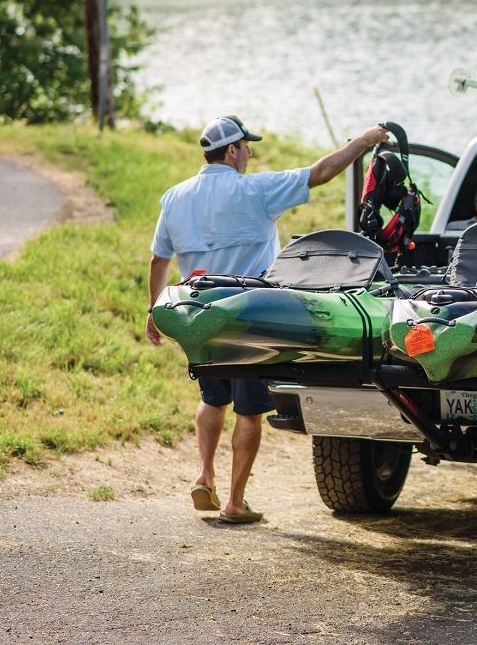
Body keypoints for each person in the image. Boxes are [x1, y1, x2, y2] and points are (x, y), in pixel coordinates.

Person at [146, 115, 388, 524]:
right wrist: (364, 141)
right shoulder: (255, 189)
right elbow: (322, 172)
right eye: (246, 146)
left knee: (210, 398)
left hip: (196, 313)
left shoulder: (175, 197)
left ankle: (204, 475)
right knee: (249, 411)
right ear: (231, 151)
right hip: (247, 316)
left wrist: (156, 309)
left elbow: (159, 259)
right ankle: (235, 503)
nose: (250, 152)